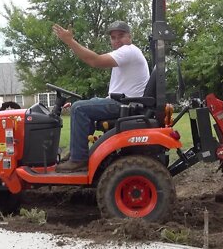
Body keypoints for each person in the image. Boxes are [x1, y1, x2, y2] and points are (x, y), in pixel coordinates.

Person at [52, 20, 150, 172]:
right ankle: (76, 151)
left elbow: (94, 60)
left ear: (130, 36)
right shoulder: (126, 55)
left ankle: (78, 159)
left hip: (126, 105)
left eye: (121, 36)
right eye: (113, 37)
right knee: (84, 105)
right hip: (123, 101)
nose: (117, 41)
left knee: (79, 109)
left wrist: (70, 41)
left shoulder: (129, 51)